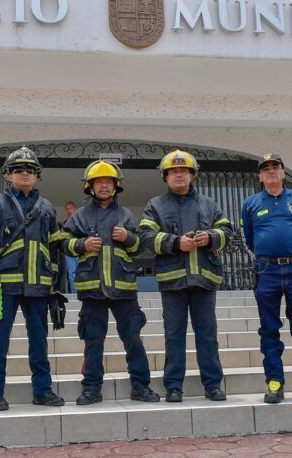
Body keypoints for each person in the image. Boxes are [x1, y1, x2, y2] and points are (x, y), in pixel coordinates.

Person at [0, 146, 64, 411]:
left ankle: (43, 391)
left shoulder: (46, 207)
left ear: (36, 176)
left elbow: (55, 246)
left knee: (39, 341)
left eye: (30, 170)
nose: (24, 173)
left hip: (38, 287)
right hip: (3, 286)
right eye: (18, 170)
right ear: (8, 175)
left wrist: (53, 282)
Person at [139, 150, 233, 403]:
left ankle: (213, 385)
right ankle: (173, 387)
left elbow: (228, 232)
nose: (179, 175)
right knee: (174, 336)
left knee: (207, 336)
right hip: (173, 283)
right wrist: (175, 242)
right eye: (173, 172)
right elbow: (146, 237)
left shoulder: (209, 204)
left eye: (183, 171)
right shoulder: (155, 205)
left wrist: (211, 237)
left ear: (192, 175)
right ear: (166, 177)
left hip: (204, 281)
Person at [62, 161, 160, 405]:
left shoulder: (125, 215)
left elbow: (138, 247)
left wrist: (128, 238)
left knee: (133, 338)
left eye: (108, 182)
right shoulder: (79, 216)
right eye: (99, 182)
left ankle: (140, 386)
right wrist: (81, 244)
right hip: (92, 289)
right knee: (93, 341)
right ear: (90, 186)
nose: (104, 186)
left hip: (124, 289)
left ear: (116, 186)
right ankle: (91, 389)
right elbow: (62, 243)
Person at [240, 153, 292, 404]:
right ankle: (274, 382)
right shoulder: (251, 203)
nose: (271, 171)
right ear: (260, 176)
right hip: (267, 271)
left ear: (284, 173)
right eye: (266, 169)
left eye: (276, 167)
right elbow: (247, 237)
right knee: (269, 329)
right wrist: (265, 257)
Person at [63, 201, 78, 293]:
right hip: (69, 252)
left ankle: (83, 295)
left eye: (71, 208)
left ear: (74, 208)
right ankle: (75, 294)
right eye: (67, 208)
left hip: (81, 250)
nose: (69, 210)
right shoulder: (65, 223)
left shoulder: (81, 220)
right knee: (72, 274)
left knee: (82, 273)